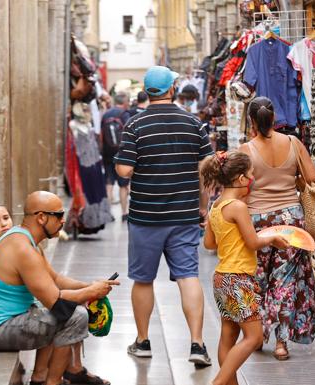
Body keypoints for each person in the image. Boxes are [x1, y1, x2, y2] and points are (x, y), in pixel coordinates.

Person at [115, 65, 214, 366]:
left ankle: (143, 341)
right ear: (172, 89)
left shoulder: (135, 125)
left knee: (143, 280)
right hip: (184, 215)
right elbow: (206, 169)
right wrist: (203, 206)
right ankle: (197, 344)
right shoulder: (193, 123)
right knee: (188, 276)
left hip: (146, 216)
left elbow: (124, 170)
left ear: (147, 91)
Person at [0, 191, 120, 385]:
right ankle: (52, 382)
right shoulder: (23, 249)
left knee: (60, 310)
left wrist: (91, 286)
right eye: (59, 215)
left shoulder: (26, 239)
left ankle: (41, 377)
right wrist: (90, 293)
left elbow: (56, 279)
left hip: (13, 320)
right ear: (42, 217)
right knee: (75, 315)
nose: (63, 220)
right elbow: (56, 301)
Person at [239, 96, 315, 360]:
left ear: (252, 120)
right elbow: (313, 178)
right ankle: (281, 344)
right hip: (292, 221)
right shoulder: (293, 143)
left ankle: (256, 335)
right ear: (274, 118)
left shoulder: (246, 149)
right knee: (285, 282)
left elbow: (242, 188)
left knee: (259, 279)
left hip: (259, 222)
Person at [201, 151, 288, 385]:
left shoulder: (216, 206)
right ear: (241, 179)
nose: (252, 178)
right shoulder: (237, 207)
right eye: (250, 174)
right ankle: (218, 382)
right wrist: (272, 237)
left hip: (221, 278)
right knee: (253, 337)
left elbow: (209, 244)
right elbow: (253, 242)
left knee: (228, 337)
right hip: (238, 279)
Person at [101, 92, 131, 220]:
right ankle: (124, 213)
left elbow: (100, 134)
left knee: (109, 183)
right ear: (125, 102)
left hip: (107, 153)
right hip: (122, 154)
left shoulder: (106, 114)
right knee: (123, 185)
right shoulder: (125, 115)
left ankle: (109, 214)